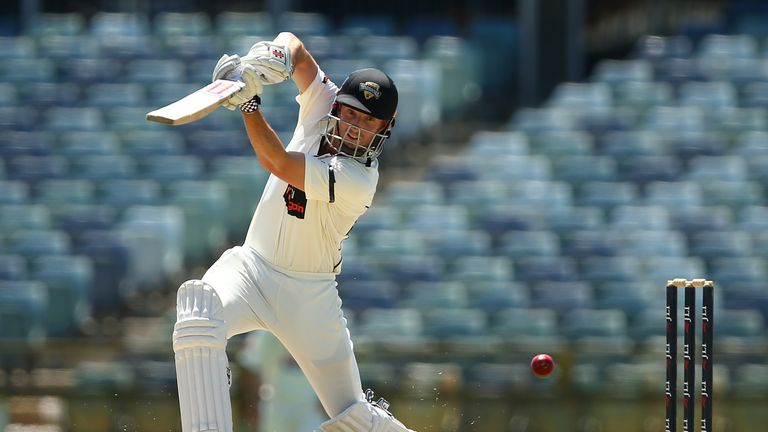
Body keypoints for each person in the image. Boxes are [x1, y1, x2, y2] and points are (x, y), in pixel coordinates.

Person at [171, 31, 416, 432]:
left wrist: (249, 101)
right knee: (198, 313)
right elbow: (296, 48)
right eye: (351, 113)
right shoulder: (323, 105)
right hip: (250, 269)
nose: (354, 128)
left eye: (368, 121)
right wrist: (270, 58)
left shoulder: (359, 179)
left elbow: (278, 163)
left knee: (352, 415)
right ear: (338, 104)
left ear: (384, 129)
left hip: (309, 294)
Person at [238, 330, 325, 432]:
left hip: (310, 410)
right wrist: (253, 404)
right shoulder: (266, 329)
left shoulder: (319, 328)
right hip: (274, 409)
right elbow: (250, 364)